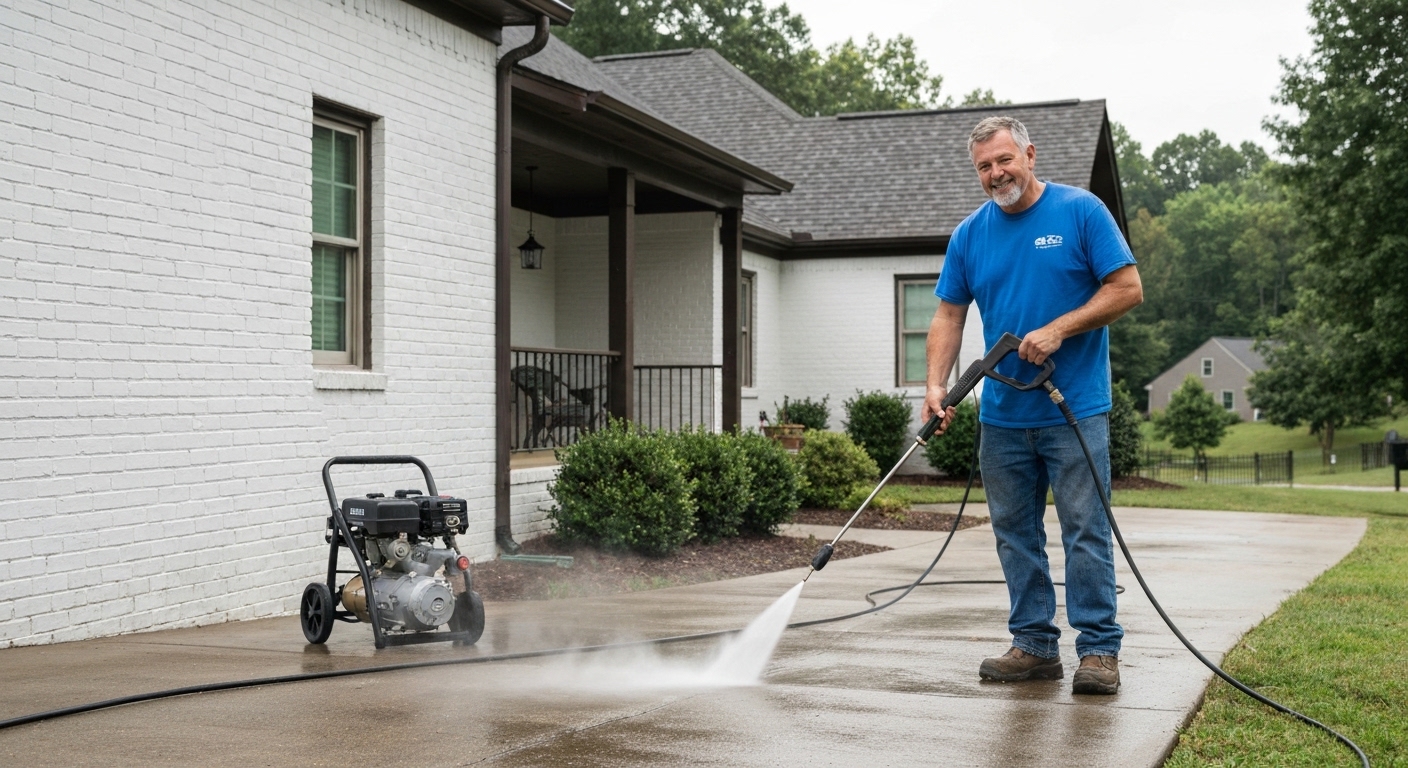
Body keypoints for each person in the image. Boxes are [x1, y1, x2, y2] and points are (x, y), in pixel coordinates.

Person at [922, 116, 1143, 695]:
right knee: (1014, 533)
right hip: (1003, 416)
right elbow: (949, 313)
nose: (996, 174)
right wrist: (936, 386)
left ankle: (1098, 650)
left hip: (1074, 408)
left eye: (1003, 160)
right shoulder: (970, 234)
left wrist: (1059, 329)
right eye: (984, 167)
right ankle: (1035, 645)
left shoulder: (1081, 212)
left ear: (1029, 154)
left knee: (1084, 530)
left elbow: (1126, 288)